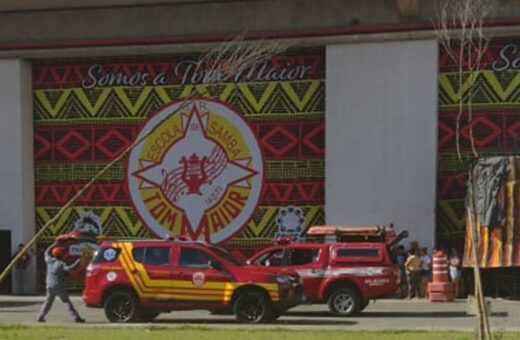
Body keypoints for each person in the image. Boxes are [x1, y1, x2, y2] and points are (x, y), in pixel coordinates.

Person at [36, 242, 85, 323]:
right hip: (59, 286)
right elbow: (69, 269)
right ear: (62, 255)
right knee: (66, 302)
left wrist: (55, 244)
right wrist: (78, 261)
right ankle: (76, 317)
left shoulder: (49, 261)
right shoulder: (61, 264)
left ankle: (40, 316)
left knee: (48, 302)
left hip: (49, 285)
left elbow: (46, 252)